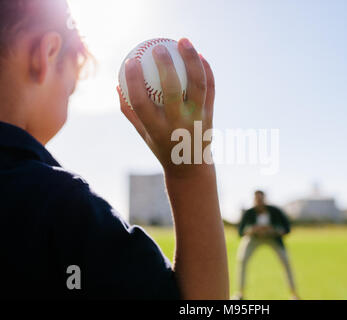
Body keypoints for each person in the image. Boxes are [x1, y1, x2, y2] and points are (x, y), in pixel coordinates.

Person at [0, 0, 228, 299]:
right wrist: (189, 170)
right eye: (72, 86)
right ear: (46, 54)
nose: (71, 92)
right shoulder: (61, 209)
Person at [235, 190, 299, 300]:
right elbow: (240, 231)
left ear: (265, 199)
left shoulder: (275, 211)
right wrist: (252, 230)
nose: (259, 202)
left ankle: (294, 295)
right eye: (257, 199)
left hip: (273, 238)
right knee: (242, 259)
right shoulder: (249, 212)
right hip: (253, 239)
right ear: (254, 200)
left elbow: (287, 229)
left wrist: (273, 230)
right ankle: (240, 294)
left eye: (261, 199)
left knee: (286, 261)